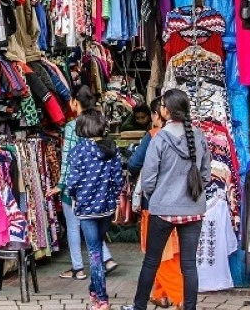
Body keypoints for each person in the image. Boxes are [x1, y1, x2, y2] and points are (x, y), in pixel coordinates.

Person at [122, 89, 211, 310]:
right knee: (189, 265)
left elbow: (149, 179)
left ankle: (139, 306)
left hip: (162, 209)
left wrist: (157, 198)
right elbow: (206, 174)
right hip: (193, 208)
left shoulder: (159, 137)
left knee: (151, 262)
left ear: (166, 110)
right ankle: (190, 307)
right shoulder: (198, 135)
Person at [50, 87, 118, 281]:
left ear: (74, 102)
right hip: (99, 187)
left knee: (74, 226)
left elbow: (68, 160)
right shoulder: (99, 119)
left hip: (78, 187)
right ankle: (105, 260)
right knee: (92, 226)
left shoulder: (73, 126)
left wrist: (63, 185)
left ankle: (78, 268)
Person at [65, 109, 124, 310]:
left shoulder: (78, 152)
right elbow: (118, 179)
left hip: (86, 209)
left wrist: (74, 196)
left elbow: (71, 182)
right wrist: (114, 199)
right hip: (106, 208)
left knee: (94, 253)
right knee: (97, 248)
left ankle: (102, 299)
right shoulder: (111, 149)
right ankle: (94, 290)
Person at [129, 99, 183, 309]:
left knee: (159, 252)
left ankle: (180, 297)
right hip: (181, 201)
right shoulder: (188, 134)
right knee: (174, 250)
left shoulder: (153, 136)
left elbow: (134, 163)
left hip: (155, 203)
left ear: (157, 114)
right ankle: (161, 294)